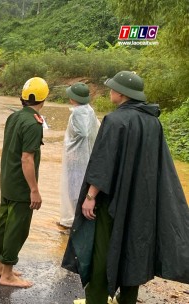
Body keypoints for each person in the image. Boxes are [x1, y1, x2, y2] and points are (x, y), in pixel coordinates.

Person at [62, 71, 189, 303]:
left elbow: (104, 163)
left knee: (101, 253)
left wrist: (90, 196)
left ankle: (97, 298)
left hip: (113, 202)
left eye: (112, 88)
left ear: (120, 93)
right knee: (134, 251)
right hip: (142, 201)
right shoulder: (153, 122)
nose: (110, 91)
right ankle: (127, 300)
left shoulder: (115, 120)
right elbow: (156, 166)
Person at [0, 77, 49, 288]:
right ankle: (7, 274)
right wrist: (34, 190)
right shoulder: (34, 123)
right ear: (44, 98)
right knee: (18, 227)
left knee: (3, 223)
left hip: (7, 180)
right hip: (21, 186)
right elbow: (27, 158)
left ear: (22, 97)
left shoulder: (13, 117)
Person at [58, 82, 100, 229]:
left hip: (77, 160)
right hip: (86, 159)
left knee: (74, 191)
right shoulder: (89, 110)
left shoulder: (77, 112)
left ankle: (76, 225)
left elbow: (83, 133)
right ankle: (76, 222)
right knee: (79, 189)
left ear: (73, 98)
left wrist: (75, 149)